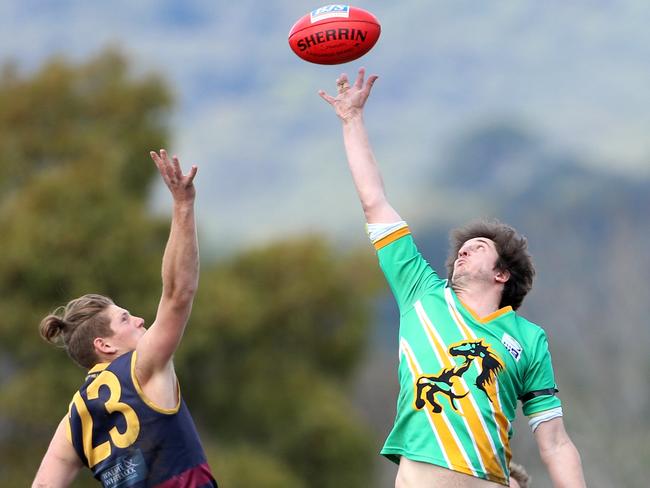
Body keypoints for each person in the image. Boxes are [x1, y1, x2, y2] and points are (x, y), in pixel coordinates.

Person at [319, 69, 586, 487]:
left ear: (502, 273)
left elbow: (554, 443)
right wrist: (352, 120)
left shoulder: (529, 340)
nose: (464, 249)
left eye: (479, 246)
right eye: (463, 247)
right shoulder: (421, 294)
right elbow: (375, 203)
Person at [32, 150, 218, 488]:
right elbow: (177, 294)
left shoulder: (74, 420)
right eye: (124, 319)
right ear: (103, 344)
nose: (139, 320)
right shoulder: (142, 367)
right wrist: (183, 206)